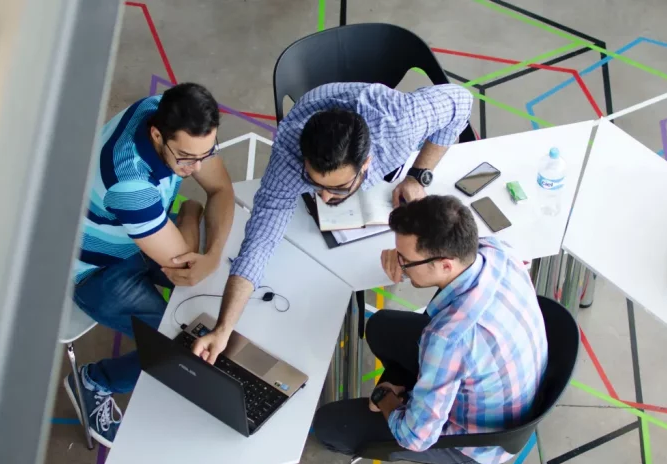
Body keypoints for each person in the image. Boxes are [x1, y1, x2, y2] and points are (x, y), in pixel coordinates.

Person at [191, 82, 474, 364]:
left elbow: (462, 101)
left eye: (338, 189)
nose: (325, 198)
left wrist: (419, 174)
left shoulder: (400, 124)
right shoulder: (288, 155)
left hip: (379, 114)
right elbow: (259, 242)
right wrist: (224, 328)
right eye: (315, 184)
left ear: (366, 164)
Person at [312, 195, 549, 464]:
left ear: (445, 264)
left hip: (479, 438)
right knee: (381, 326)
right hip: (510, 385)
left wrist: (386, 396)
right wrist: (399, 254)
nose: (401, 265)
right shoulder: (495, 251)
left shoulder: (448, 338)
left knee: (329, 425)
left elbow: (414, 437)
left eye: (405, 261)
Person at [64, 83, 235, 447]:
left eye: (207, 153)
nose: (197, 167)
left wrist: (214, 252)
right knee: (176, 345)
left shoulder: (166, 111)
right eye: (187, 158)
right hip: (96, 271)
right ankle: (95, 381)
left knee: (212, 294)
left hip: (140, 235)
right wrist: (191, 211)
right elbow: (185, 269)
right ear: (157, 135)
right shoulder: (130, 184)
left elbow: (221, 189)